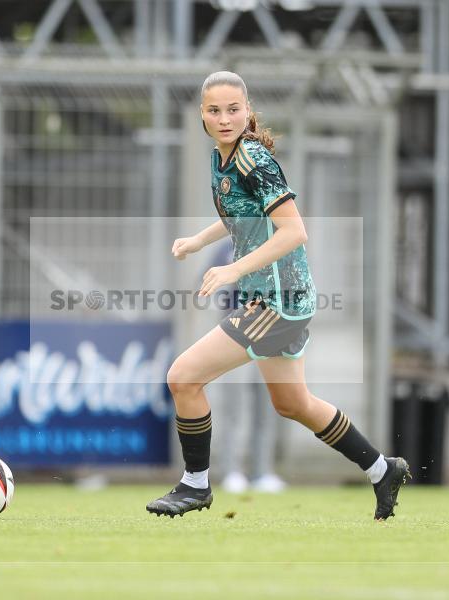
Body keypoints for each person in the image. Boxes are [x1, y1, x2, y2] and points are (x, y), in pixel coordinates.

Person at [145, 71, 409, 520]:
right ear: (202, 116)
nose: (224, 118)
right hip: (278, 297)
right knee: (293, 403)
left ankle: (195, 486)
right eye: (214, 110)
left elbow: (294, 231)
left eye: (233, 109)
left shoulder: (252, 159)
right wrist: (198, 241)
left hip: (276, 301)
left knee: (183, 377)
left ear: (248, 113)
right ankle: (383, 469)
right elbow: (242, 216)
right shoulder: (221, 158)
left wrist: (232, 268)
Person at [206, 244, 287, 494]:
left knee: (266, 407)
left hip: (269, 336)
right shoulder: (226, 249)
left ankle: (261, 472)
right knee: (233, 408)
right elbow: (211, 285)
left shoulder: (275, 244)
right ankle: (231, 471)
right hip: (236, 336)